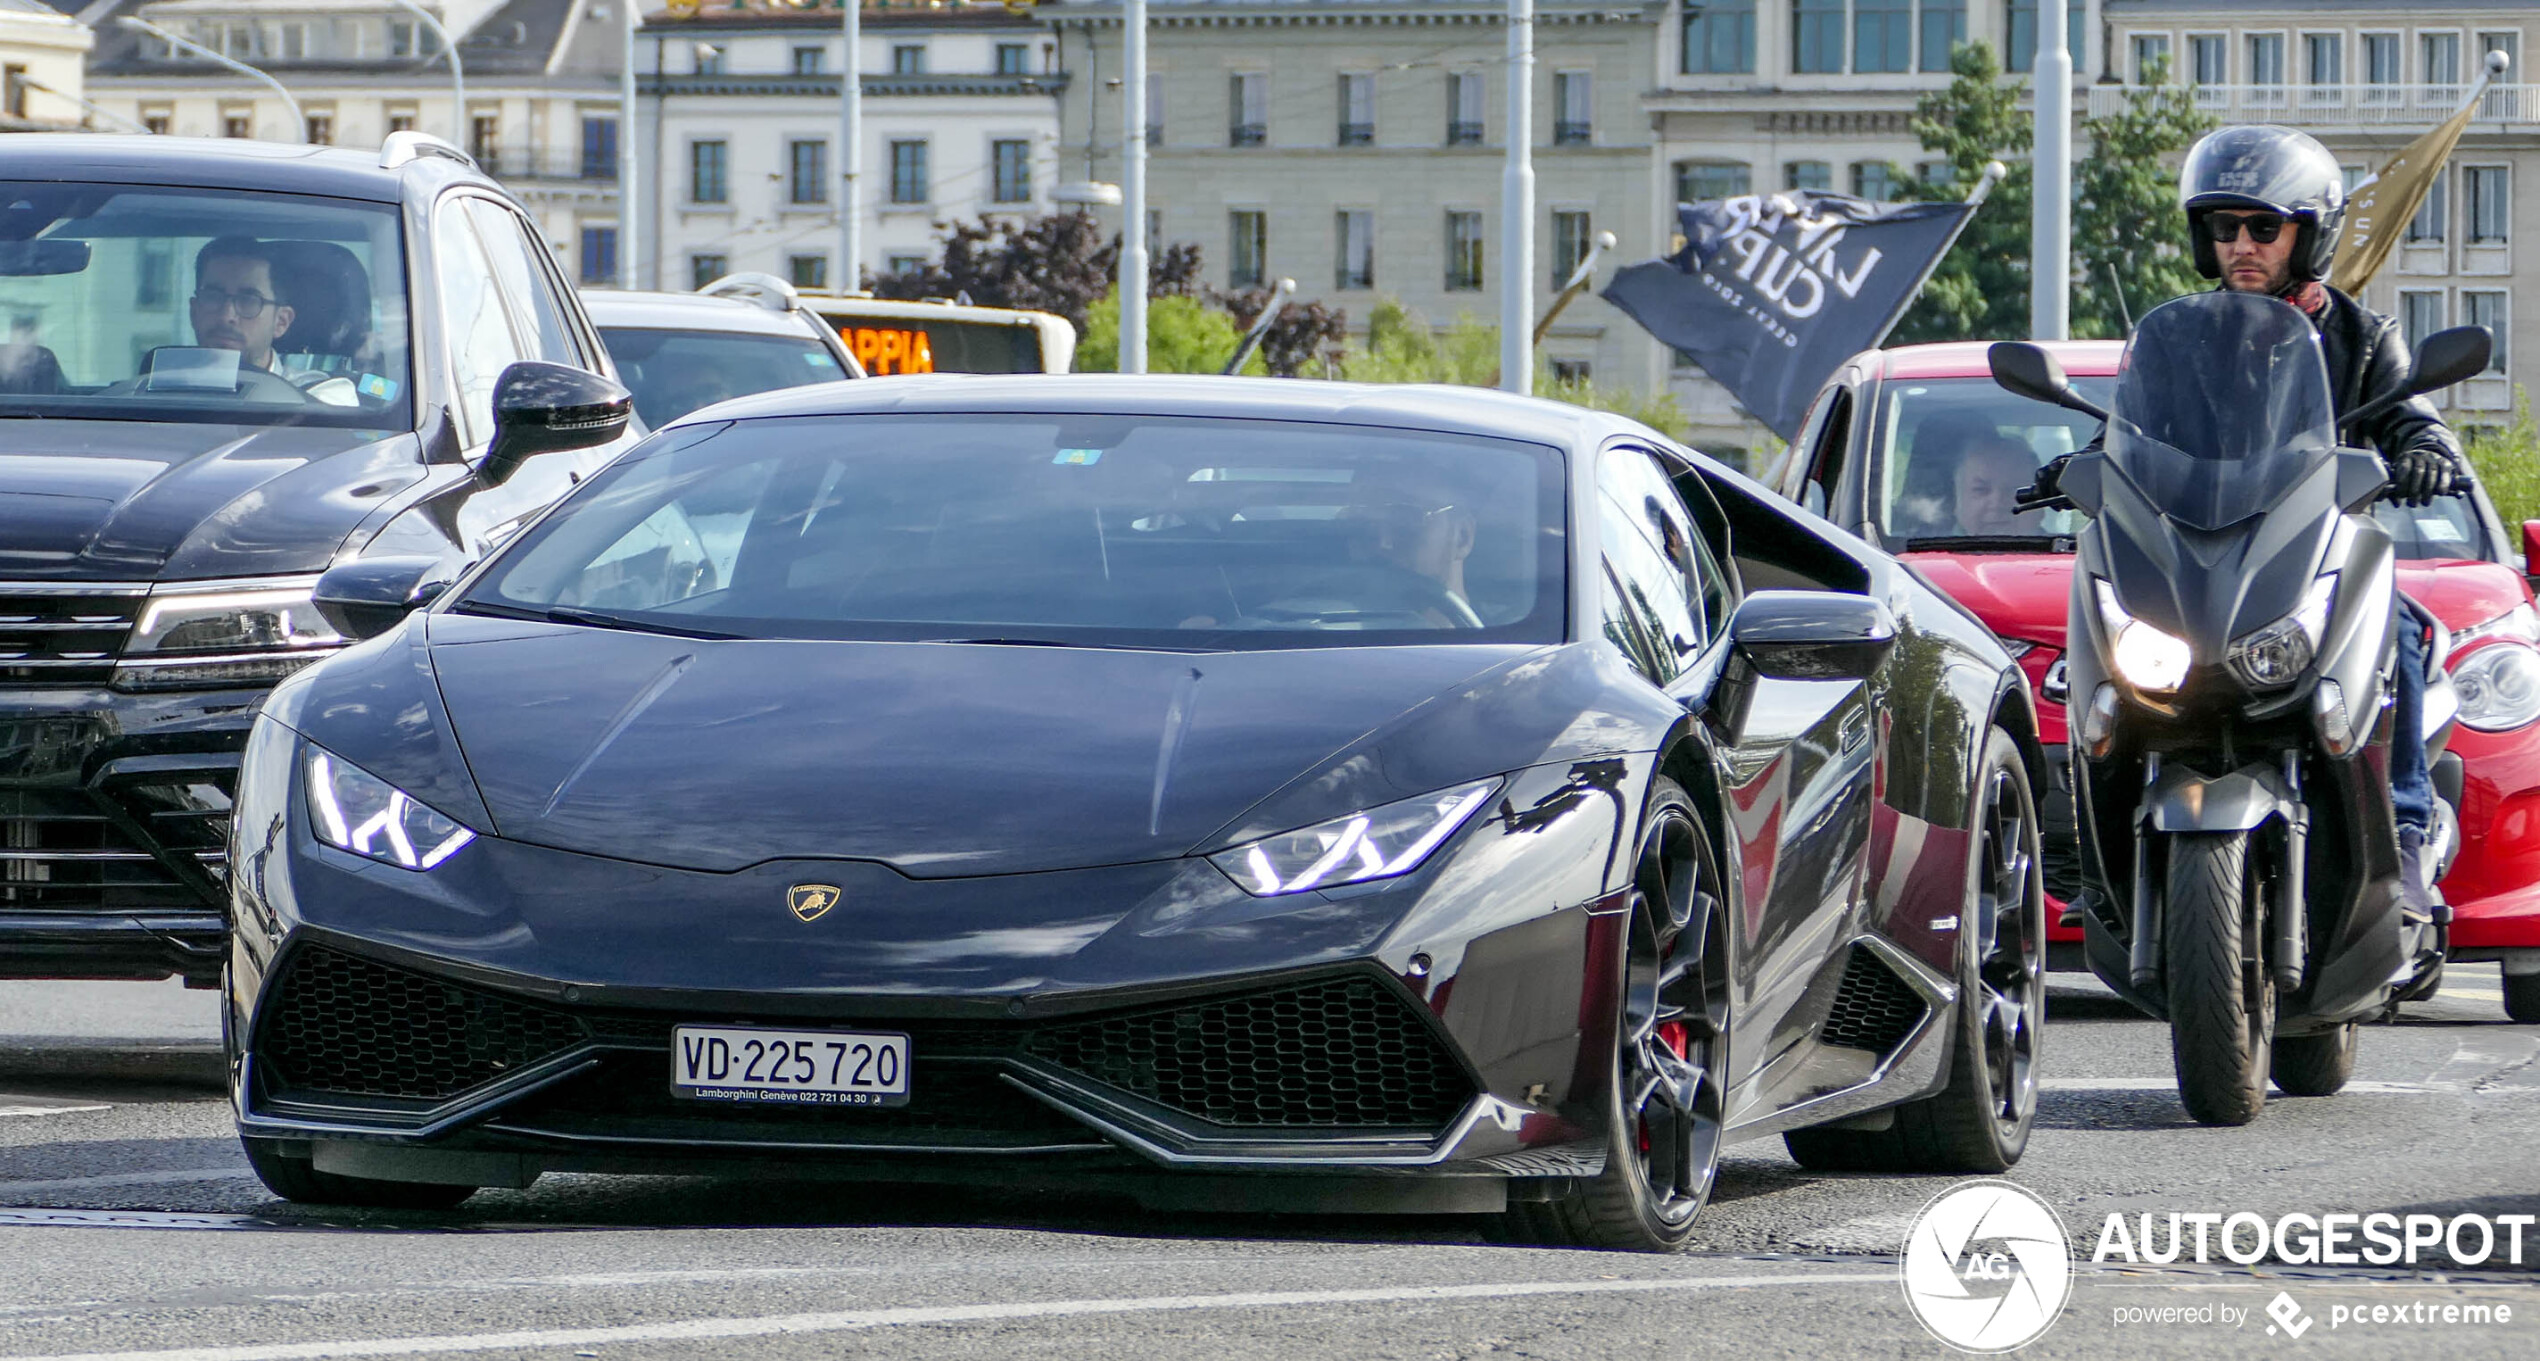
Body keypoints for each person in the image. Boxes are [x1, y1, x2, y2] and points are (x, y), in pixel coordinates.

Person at [2042, 123, 2462, 913]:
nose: (2242, 244)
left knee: (2399, 632)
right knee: (2104, 649)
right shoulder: (2176, 341)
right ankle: (2099, 860)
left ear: (2309, 233)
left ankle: (2403, 834)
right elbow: (2131, 428)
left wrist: (2423, 449)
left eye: (2264, 227)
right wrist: (2080, 461)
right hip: (2203, 553)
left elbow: (2413, 416)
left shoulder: (2363, 337)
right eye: (2223, 227)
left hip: (2313, 554)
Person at [188, 237, 296, 373]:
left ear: (281, 322)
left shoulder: (310, 393)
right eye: (213, 297)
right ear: (194, 312)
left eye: (248, 301)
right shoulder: (160, 385)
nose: (226, 316)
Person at [1949, 435, 2044, 536]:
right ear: (1957, 502)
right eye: (1980, 490)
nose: (1997, 503)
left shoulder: (2061, 549)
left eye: (2014, 489)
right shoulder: (1933, 548)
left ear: (2040, 504)